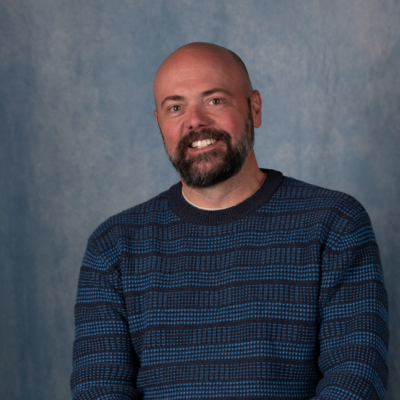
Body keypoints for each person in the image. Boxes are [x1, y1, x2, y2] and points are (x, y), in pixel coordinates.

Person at [70, 42, 388, 399]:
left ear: (255, 108)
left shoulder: (335, 223)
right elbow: (98, 387)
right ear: (160, 124)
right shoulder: (114, 245)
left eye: (215, 100)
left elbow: (356, 379)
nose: (195, 121)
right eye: (176, 107)